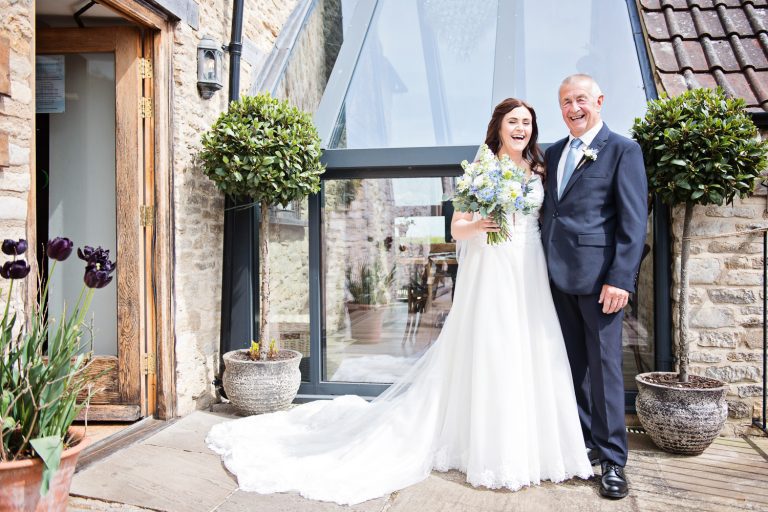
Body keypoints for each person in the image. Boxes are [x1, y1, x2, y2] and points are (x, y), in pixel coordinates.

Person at [206, 98, 593, 506]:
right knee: (493, 349)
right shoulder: (480, 170)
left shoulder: (540, 171)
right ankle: (486, 445)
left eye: (527, 122)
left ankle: (536, 444)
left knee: (532, 347)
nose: (521, 128)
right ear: (498, 127)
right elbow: (458, 228)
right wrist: (479, 224)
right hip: (494, 271)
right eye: (513, 121)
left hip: (529, 269)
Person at [539, 74, 648, 500]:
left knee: (604, 371)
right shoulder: (553, 152)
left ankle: (614, 461)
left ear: (599, 100)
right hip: (555, 279)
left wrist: (621, 278)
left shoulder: (623, 150)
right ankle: (584, 444)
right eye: (565, 101)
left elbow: (633, 222)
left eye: (580, 99)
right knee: (573, 368)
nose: (573, 108)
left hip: (601, 281)